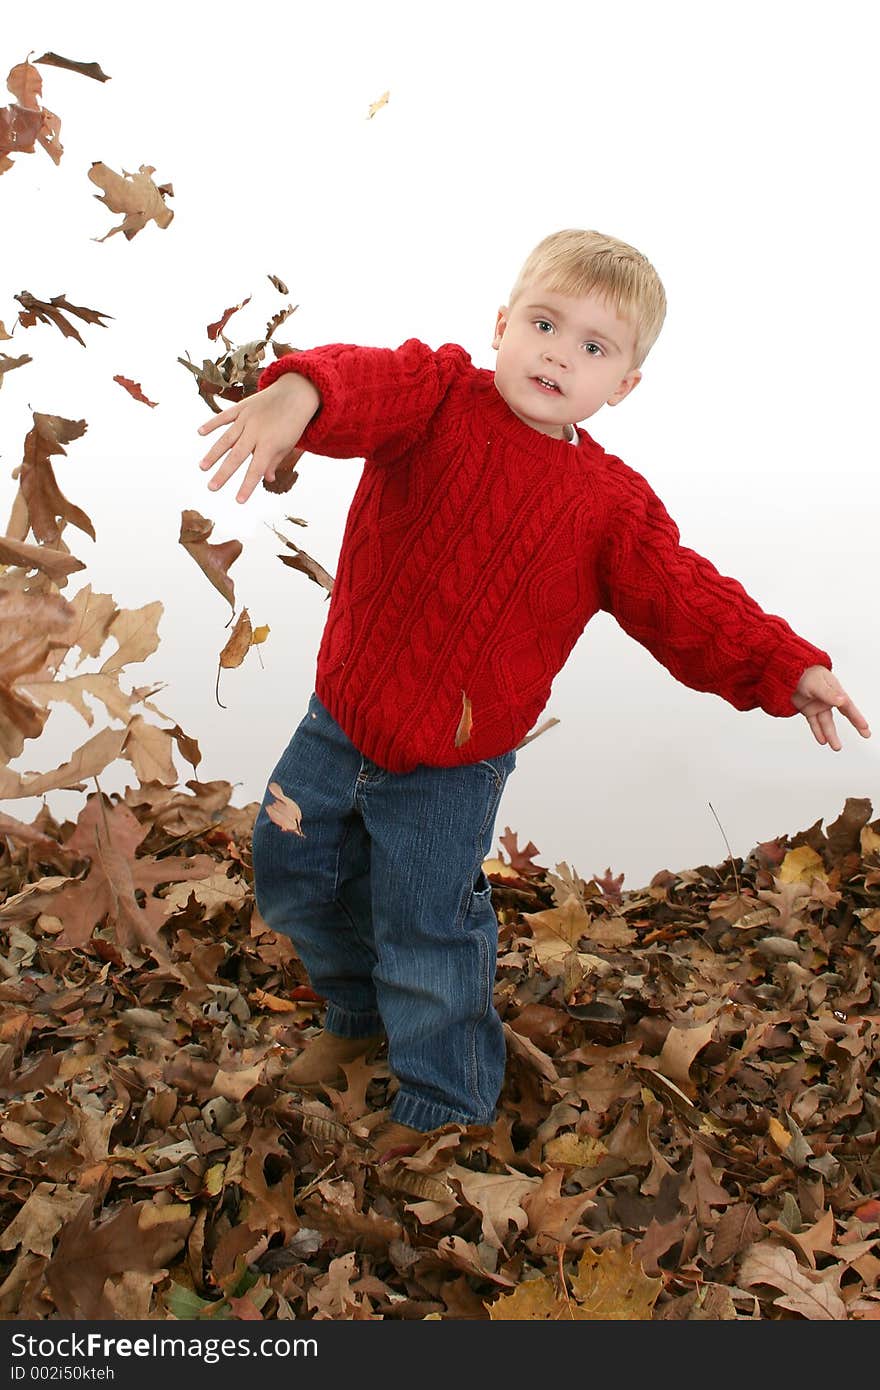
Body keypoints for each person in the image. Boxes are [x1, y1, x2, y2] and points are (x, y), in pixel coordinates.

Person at [195, 228, 871, 1160]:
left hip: (452, 767)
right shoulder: (436, 398)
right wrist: (295, 393)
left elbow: (684, 598)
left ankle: (445, 1104)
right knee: (293, 868)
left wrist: (784, 663)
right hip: (339, 721)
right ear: (503, 324)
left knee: (426, 927)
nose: (560, 353)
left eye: (595, 347)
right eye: (545, 324)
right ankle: (354, 1014)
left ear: (623, 385)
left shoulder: (608, 504)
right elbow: (362, 380)